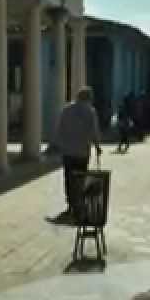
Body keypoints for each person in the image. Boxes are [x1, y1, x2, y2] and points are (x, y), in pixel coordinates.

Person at [49, 87, 103, 224]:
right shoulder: (90, 111)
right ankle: (80, 205)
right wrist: (97, 146)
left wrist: (58, 145)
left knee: (69, 179)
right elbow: (94, 131)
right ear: (89, 98)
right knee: (80, 179)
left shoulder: (67, 110)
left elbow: (59, 129)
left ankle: (71, 204)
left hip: (68, 152)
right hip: (82, 153)